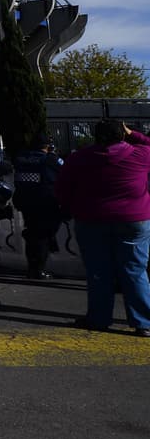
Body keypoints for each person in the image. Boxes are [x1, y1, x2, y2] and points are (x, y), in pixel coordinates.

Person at [55, 119, 150, 335]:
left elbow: (62, 188)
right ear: (123, 134)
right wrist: (133, 133)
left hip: (92, 219)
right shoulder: (141, 154)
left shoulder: (79, 158)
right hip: (133, 219)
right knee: (135, 270)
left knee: (98, 271)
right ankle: (144, 322)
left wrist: (72, 209)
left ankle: (99, 318)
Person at [12, 133, 64, 280]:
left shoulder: (21, 158)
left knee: (32, 233)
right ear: (48, 146)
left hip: (25, 201)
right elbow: (65, 172)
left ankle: (32, 267)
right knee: (43, 236)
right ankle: (38, 270)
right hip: (45, 202)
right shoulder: (50, 159)